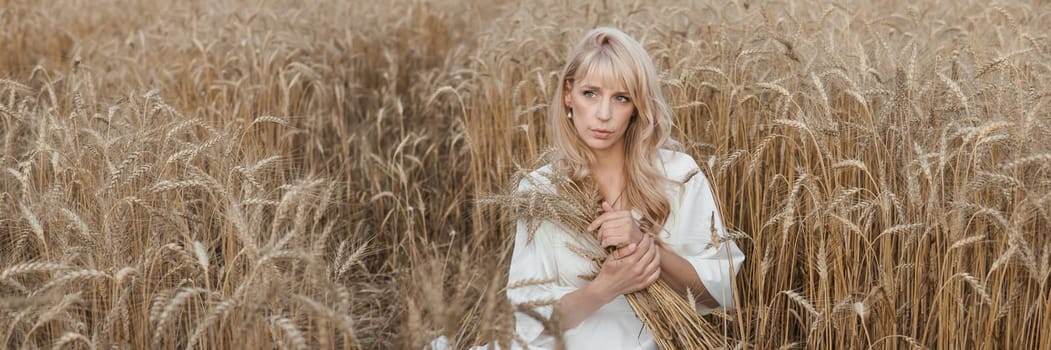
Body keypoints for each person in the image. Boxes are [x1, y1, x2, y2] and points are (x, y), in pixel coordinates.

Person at [504, 27, 745, 349]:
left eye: (621, 98)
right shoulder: (539, 190)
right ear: (568, 94)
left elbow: (719, 294)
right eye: (590, 93)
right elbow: (531, 323)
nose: (604, 115)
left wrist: (648, 248)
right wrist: (605, 288)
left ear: (636, 107)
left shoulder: (678, 174)